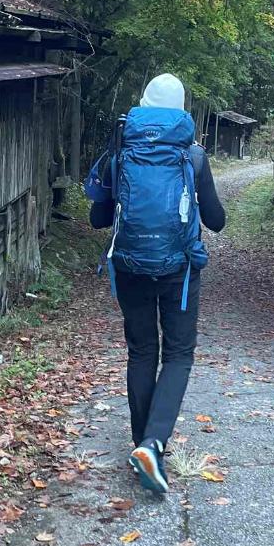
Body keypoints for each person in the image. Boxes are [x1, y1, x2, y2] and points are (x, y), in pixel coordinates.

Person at [87, 73, 225, 494]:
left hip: (130, 267)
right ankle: (152, 443)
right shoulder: (194, 156)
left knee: (142, 350)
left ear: (143, 105)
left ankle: (143, 448)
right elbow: (217, 221)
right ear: (181, 111)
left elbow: (99, 218)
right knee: (179, 354)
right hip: (179, 271)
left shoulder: (119, 153)